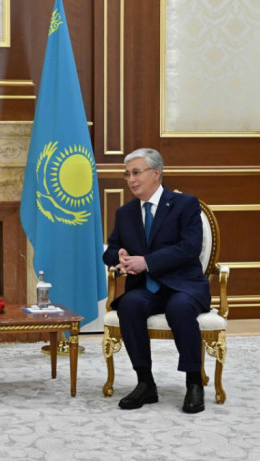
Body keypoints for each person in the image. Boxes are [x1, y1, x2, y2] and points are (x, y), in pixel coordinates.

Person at [103, 148, 210, 414]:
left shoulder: (185, 204)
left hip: (183, 284)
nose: (131, 179)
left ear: (156, 173)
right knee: (129, 305)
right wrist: (119, 255)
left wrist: (147, 262)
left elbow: (189, 248)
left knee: (179, 307)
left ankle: (194, 382)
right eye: (127, 174)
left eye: (136, 172)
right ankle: (145, 383)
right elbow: (109, 251)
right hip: (146, 288)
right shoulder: (125, 213)